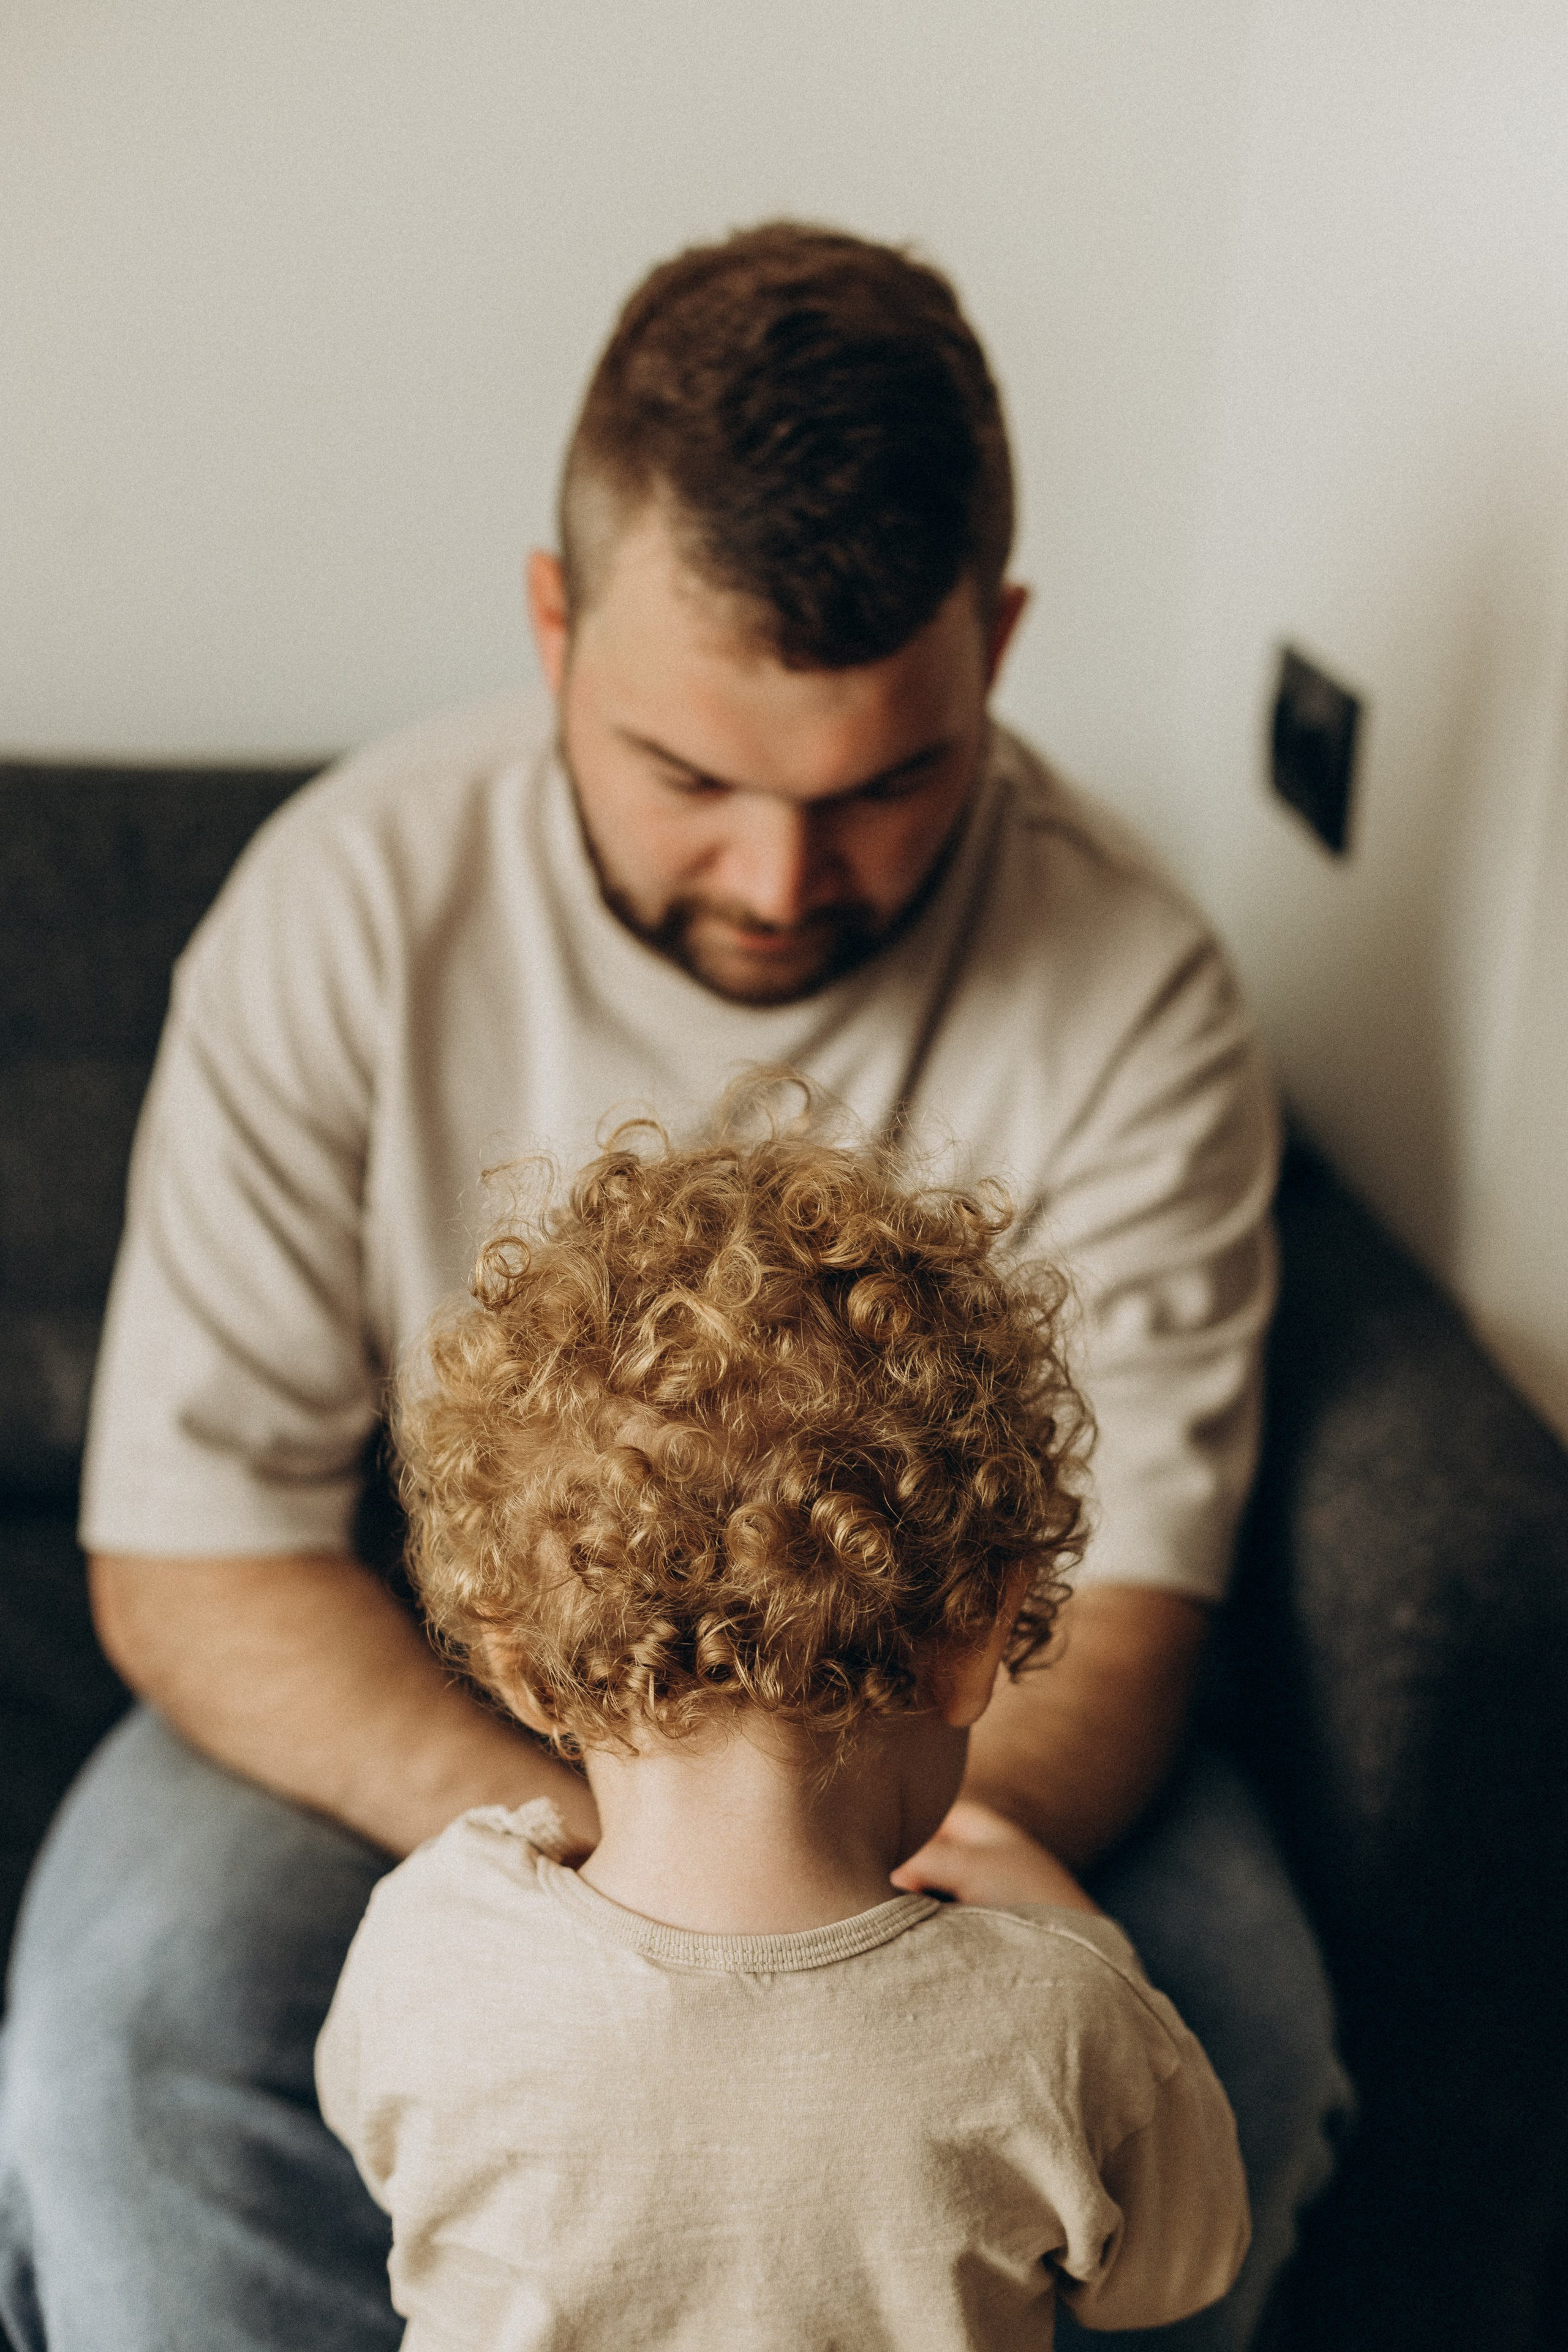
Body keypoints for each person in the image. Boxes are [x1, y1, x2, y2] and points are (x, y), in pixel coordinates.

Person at [0, 224, 1348, 2352]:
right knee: (126, 2057)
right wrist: (648, 1844)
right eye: (691, 779)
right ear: (555, 626)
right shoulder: (344, 905)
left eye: (889, 784)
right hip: (447, 1670)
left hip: (942, 1724)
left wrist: (847, 1878)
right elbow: (195, 1555)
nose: (780, 880)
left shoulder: (1140, 996)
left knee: (1241, 2053)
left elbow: (1125, 1625)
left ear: (996, 643)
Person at [316, 1112, 1251, 2347]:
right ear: (974, 1646)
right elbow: (1175, 2274)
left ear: (518, 1668)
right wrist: (1079, 1934)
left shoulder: (433, 1936)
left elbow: (378, 2137)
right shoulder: (1062, 2024)